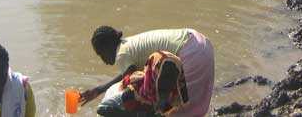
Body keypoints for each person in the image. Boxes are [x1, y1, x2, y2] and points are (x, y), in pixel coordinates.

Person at [80, 26, 215, 117]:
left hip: (189, 51)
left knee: (177, 108)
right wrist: (99, 90)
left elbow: (130, 80)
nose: (103, 60)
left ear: (108, 46)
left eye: (101, 54)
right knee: (190, 100)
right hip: (199, 42)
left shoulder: (121, 54)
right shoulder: (128, 45)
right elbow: (126, 74)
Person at [95, 51, 187, 117]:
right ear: (155, 72)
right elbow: (103, 109)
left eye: (172, 76)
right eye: (164, 76)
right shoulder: (135, 86)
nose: (168, 81)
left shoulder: (176, 90)